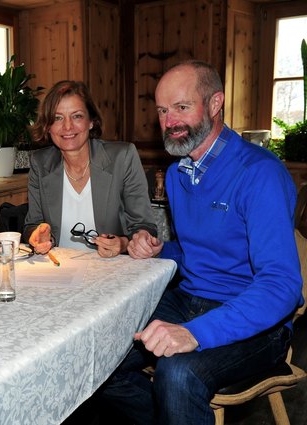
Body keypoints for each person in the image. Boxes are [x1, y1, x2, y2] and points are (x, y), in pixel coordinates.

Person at [99, 60, 304, 424]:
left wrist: (195, 334)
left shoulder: (259, 174)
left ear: (214, 104)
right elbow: (200, 251)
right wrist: (163, 249)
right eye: (163, 110)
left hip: (259, 321)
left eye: (181, 107)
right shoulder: (179, 172)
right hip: (192, 298)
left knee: (178, 374)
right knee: (99, 356)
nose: (169, 121)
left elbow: (281, 286)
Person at [23, 80, 157, 257]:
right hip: (58, 269)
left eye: (77, 116)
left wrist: (123, 244)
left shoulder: (122, 157)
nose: (68, 126)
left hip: (110, 270)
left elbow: (144, 226)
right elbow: (31, 225)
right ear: (48, 127)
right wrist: (38, 235)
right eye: (57, 118)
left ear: (91, 121)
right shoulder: (40, 163)